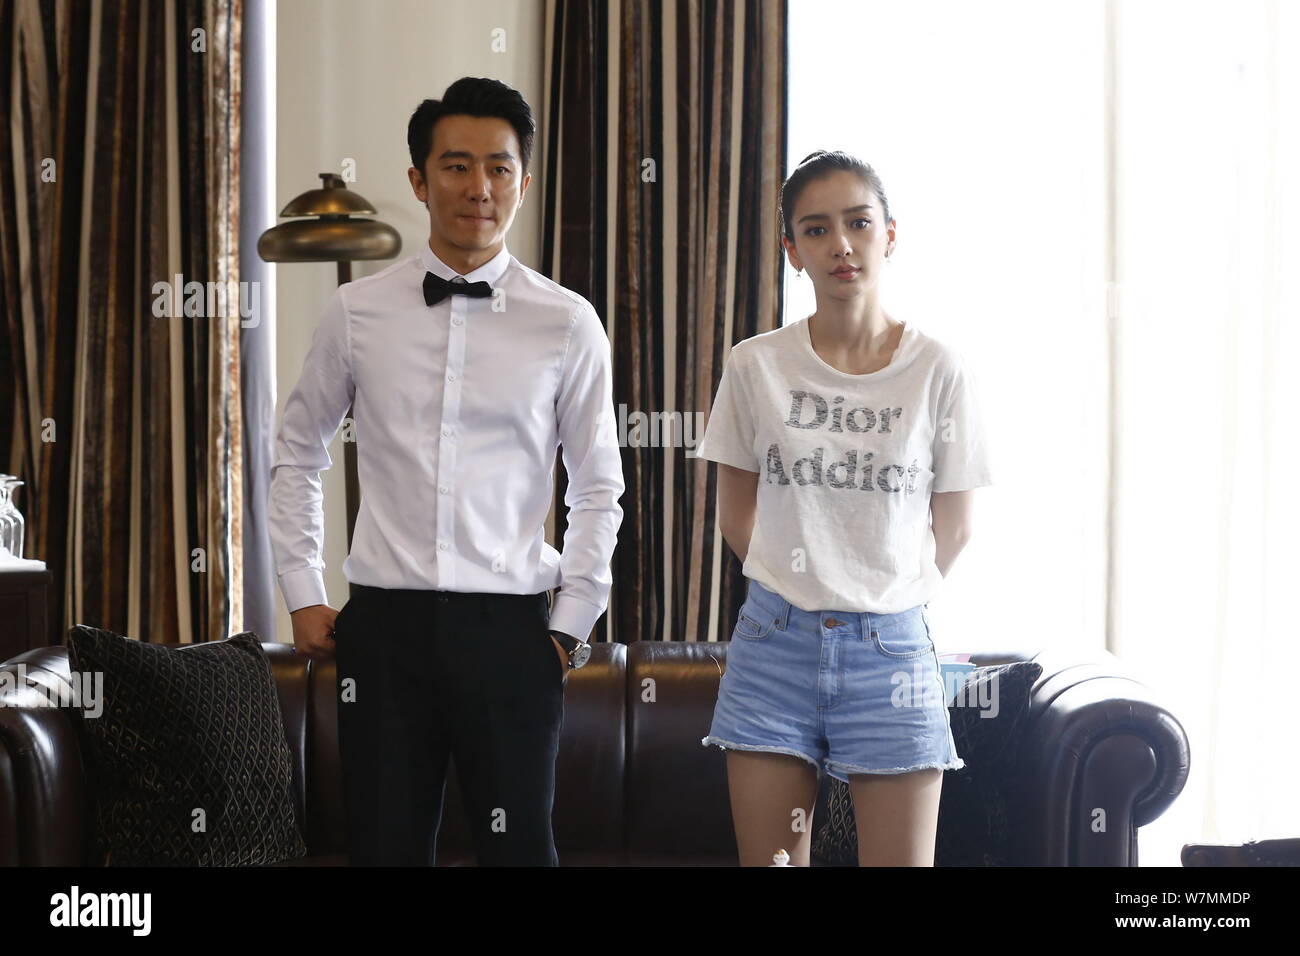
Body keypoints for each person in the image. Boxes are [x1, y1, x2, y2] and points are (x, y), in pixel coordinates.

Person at [267, 76, 625, 866]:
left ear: (523, 183)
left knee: (520, 850)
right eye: (457, 166)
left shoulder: (568, 323)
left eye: (499, 168)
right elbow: (296, 451)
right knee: (384, 850)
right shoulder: (356, 313)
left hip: (513, 632)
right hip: (384, 632)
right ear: (419, 181)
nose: (479, 188)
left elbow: (599, 485)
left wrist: (570, 625)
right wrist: (303, 590)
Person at [695, 150, 992, 866]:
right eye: (818, 229)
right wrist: (799, 586)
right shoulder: (754, 365)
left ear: (890, 233)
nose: (843, 244)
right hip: (774, 643)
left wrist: (877, 593)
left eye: (859, 223)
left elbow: (953, 529)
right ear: (793, 251)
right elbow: (737, 516)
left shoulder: (937, 369)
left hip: (892, 653)